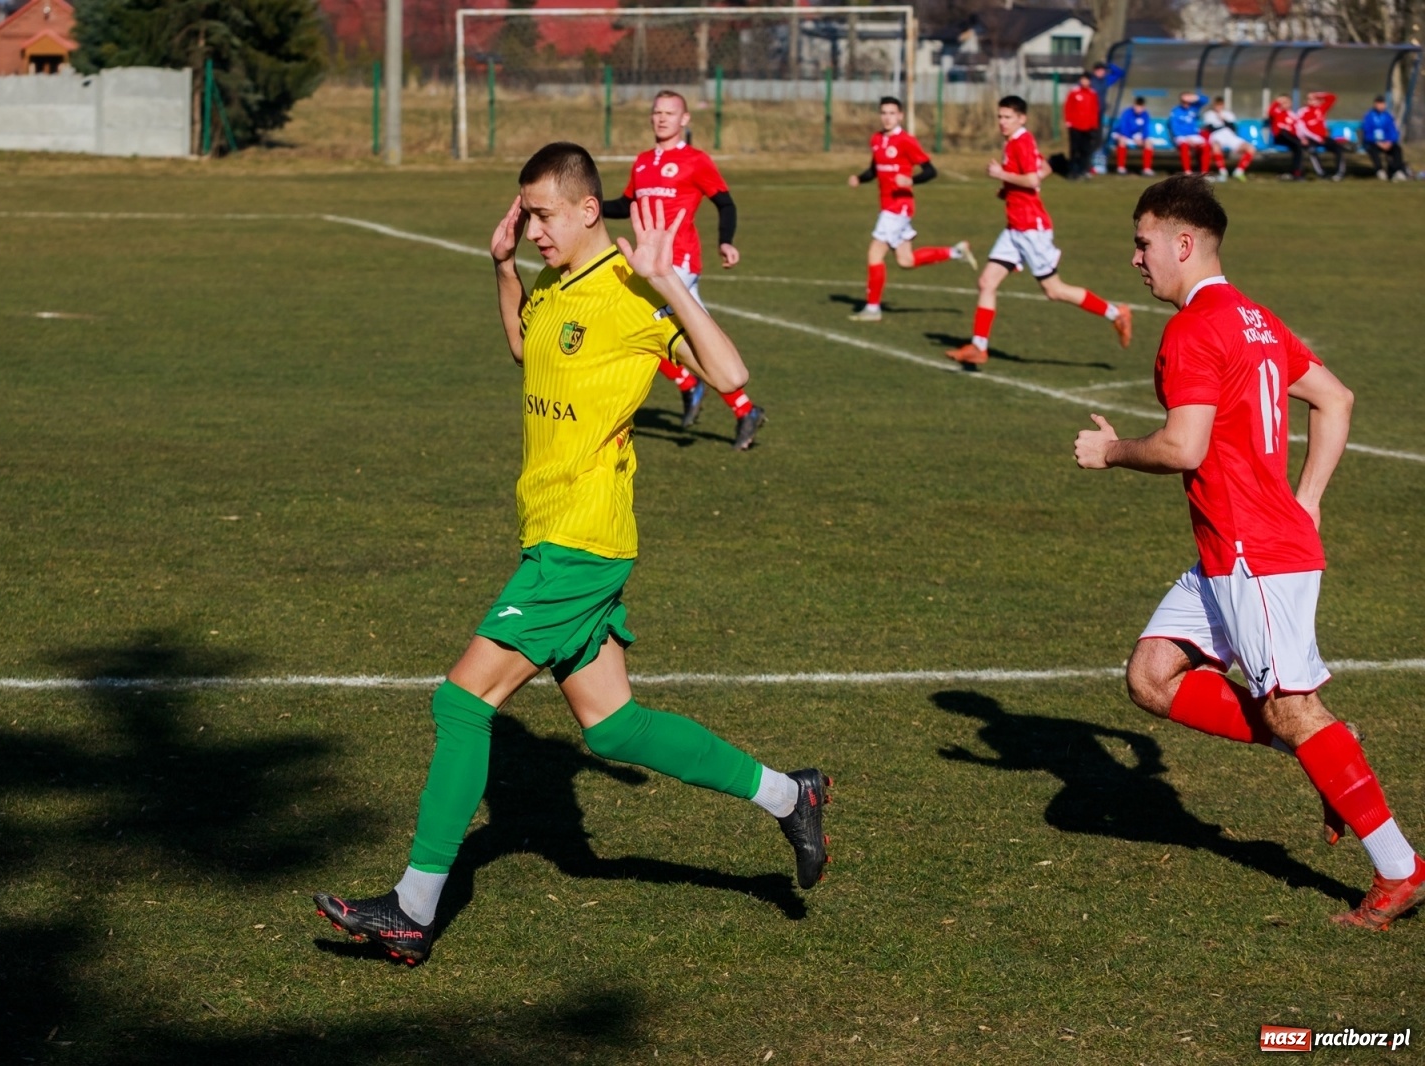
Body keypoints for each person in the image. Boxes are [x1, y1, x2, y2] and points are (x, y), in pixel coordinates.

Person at [312, 143, 831, 965]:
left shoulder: (628, 294)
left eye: (542, 214)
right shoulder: (553, 287)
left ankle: (412, 910)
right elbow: (527, 352)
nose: (533, 226)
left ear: (590, 209)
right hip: (558, 535)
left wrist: (668, 284)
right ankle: (788, 794)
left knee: (460, 704)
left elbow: (731, 372)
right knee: (615, 729)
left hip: (579, 546)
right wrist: (506, 269)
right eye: (525, 213)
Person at [1075, 174, 1425, 930]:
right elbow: (1337, 399)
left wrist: (1110, 453)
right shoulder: (1257, 320)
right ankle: (1324, 748)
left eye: (1143, 244)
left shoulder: (1195, 328)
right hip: (1232, 553)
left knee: (1294, 710)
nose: (1136, 260)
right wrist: (1310, 498)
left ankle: (1399, 868)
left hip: (1252, 554)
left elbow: (1181, 445)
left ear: (1184, 243)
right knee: (1151, 677)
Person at [600, 90, 766, 449]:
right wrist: (589, 205)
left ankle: (692, 386)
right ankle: (742, 409)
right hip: (651, 262)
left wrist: (726, 241)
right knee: (693, 343)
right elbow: (625, 204)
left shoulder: (696, 161)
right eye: (657, 112)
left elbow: (725, 202)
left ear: (685, 119)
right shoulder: (643, 162)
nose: (662, 118)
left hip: (680, 262)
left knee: (640, 322)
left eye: (670, 113)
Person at [944, 97, 1131, 368]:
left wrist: (1001, 175)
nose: (1002, 122)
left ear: (1022, 118)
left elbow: (1031, 179)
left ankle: (1117, 313)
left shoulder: (1022, 141)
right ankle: (978, 347)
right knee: (987, 282)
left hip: (1032, 229)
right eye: (999, 117)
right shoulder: (1015, 142)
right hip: (1014, 228)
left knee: (1054, 290)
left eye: (1007, 117)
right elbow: (1038, 171)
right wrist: (1009, 187)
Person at [845, 95, 975, 323]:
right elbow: (874, 169)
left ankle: (873, 309)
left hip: (899, 207)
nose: (887, 117)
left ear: (901, 116)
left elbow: (930, 171)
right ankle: (956, 252)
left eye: (892, 113)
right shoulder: (876, 139)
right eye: (884, 113)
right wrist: (859, 178)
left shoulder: (906, 141)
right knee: (906, 261)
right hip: (888, 206)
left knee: (874, 253)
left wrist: (910, 181)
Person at [1201, 98, 1255, 182]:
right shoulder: (1209, 114)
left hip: (1230, 135)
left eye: (1220, 105)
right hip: (1217, 135)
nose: (1218, 107)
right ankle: (1223, 172)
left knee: (1250, 148)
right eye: (1216, 105)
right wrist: (1223, 124)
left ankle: (1239, 171)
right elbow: (1211, 128)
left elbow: (1233, 127)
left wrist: (1224, 120)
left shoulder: (1228, 114)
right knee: (1216, 147)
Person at [1297, 91, 1346, 181]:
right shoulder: (1302, 111)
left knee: (1338, 148)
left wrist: (1317, 94)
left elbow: (1332, 97)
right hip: (1310, 138)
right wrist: (1308, 138)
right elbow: (1301, 127)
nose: (1313, 101)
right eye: (1310, 99)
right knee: (1312, 151)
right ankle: (1322, 174)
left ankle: (1339, 174)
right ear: (1306, 101)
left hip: (1322, 138)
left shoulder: (1321, 109)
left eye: (1315, 99)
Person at [1087, 60, 1125, 174]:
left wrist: (1109, 64)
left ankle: (1094, 163)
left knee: (1098, 140)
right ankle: (1087, 164)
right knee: (1089, 139)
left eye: (1102, 70)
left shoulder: (1105, 81)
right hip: (1089, 115)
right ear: (1094, 71)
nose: (1101, 72)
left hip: (1099, 114)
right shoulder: (1090, 81)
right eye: (1098, 70)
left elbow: (1120, 73)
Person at [1361, 95, 1408, 180]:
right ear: (1375, 104)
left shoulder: (1388, 116)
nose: (1381, 106)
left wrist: (1390, 142)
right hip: (1374, 143)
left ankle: (1397, 170)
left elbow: (1393, 131)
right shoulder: (1369, 116)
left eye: (1382, 104)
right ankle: (1380, 170)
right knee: (1372, 149)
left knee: (1397, 149)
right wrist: (1378, 142)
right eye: (1379, 104)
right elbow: (1367, 132)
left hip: (1387, 142)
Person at [1063, 72, 1100, 179]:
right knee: (1075, 150)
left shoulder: (1092, 94)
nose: (1085, 82)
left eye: (1087, 80)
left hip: (1088, 127)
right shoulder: (1074, 92)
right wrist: (1068, 121)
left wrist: (1094, 125)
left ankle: (1083, 170)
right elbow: (1068, 107)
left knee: (1086, 150)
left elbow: (1094, 110)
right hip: (1075, 126)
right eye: (1083, 79)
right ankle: (1073, 171)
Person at [1168, 91, 1212, 176]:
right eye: (1184, 101)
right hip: (1181, 136)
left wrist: (1195, 97)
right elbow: (1174, 126)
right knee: (1184, 146)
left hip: (1193, 135)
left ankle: (1204, 173)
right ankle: (1187, 172)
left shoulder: (1194, 108)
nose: (1186, 103)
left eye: (1188, 101)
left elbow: (1206, 100)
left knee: (1205, 146)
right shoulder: (1176, 111)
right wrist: (1186, 138)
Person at [1111, 96, 1155, 176]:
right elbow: (1123, 127)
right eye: (1137, 106)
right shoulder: (1127, 113)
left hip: (1135, 136)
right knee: (1122, 140)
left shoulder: (1145, 114)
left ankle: (1146, 169)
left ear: (1143, 107)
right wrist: (1132, 138)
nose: (1138, 109)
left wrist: (1143, 138)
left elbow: (1146, 128)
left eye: (1140, 107)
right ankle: (1121, 168)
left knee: (1148, 142)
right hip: (1123, 134)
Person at [1267, 94, 1307, 180]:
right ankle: (1297, 172)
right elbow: (1270, 111)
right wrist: (1276, 101)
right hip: (1280, 137)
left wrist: (1302, 138)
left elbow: (1297, 129)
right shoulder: (1276, 112)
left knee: (1298, 149)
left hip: (1291, 138)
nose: (1284, 104)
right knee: (1284, 133)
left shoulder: (1292, 115)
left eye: (1287, 102)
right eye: (1283, 102)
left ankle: (1297, 172)